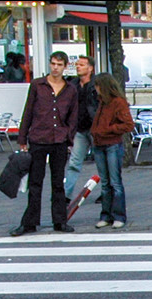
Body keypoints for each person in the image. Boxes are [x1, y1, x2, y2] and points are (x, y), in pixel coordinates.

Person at [11, 51, 78, 236]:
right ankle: (30, 222)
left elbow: (73, 116)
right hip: (39, 138)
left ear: (65, 67)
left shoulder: (70, 89)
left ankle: (60, 220)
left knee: (58, 183)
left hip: (59, 140)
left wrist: (68, 137)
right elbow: (28, 111)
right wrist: (22, 138)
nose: (55, 68)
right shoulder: (37, 85)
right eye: (53, 64)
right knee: (35, 182)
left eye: (59, 64)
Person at [89, 72, 133, 229]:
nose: (96, 89)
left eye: (98, 86)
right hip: (100, 144)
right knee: (106, 183)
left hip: (112, 143)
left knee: (114, 182)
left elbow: (128, 124)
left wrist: (108, 129)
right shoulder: (102, 102)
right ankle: (106, 215)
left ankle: (118, 215)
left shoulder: (117, 103)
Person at [64, 55, 99, 201]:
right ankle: (66, 195)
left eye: (82, 65)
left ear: (90, 68)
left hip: (95, 128)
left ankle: (106, 192)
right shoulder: (73, 85)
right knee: (74, 162)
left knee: (101, 162)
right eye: (77, 64)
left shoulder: (97, 84)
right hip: (79, 128)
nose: (78, 67)